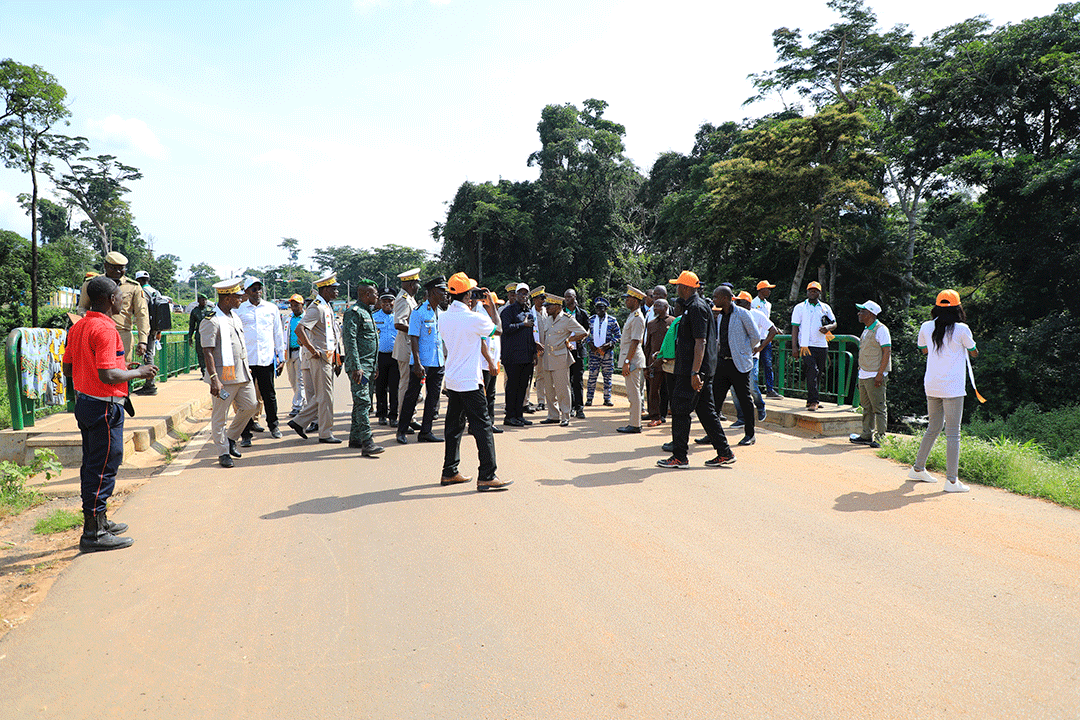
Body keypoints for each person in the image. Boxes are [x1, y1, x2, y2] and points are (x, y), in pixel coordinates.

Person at [63, 275, 157, 552]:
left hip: (86, 403)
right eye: (119, 296)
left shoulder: (79, 326)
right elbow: (107, 375)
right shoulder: (105, 329)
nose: (122, 301)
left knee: (93, 464)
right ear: (109, 299)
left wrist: (123, 367)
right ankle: (93, 533)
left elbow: (69, 368)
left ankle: (100, 520)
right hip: (104, 407)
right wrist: (139, 372)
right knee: (104, 467)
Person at [438, 273, 511, 491]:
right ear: (468, 295)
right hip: (470, 381)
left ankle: (449, 471)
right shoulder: (473, 318)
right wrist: (492, 307)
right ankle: (487, 475)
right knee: (483, 427)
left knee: (454, 427)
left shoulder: (443, 317)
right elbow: (498, 330)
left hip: (453, 380)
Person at [657, 271, 732, 469]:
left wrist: (695, 372)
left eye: (678, 285)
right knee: (706, 412)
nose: (676, 288)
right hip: (696, 369)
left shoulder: (696, 308)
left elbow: (701, 342)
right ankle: (724, 452)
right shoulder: (693, 307)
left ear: (685, 287)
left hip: (692, 371)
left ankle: (679, 457)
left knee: (680, 410)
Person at [908, 290, 978, 492]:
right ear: (958, 308)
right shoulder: (962, 329)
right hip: (952, 387)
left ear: (936, 307)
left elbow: (923, 349)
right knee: (953, 433)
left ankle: (918, 468)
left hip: (932, 384)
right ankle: (952, 481)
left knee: (933, 427)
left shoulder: (926, 326)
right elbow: (974, 352)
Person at [201, 278, 260, 467]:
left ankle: (231, 437)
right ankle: (223, 452)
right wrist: (214, 378)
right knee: (220, 416)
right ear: (227, 298)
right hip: (223, 376)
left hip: (242, 373)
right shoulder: (212, 320)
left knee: (251, 406)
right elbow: (207, 351)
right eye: (237, 296)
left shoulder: (235, 316)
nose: (241, 299)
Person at [288, 273, 344, 444]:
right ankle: (325, 433)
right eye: (334, 289)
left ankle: (299, 421)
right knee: (325, 397)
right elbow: (300, 329)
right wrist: (313, 350)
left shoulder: (326, 306)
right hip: (319, 357)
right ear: (325, 290)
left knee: (323, 396)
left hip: (328, 357)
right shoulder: (317, 308)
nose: (337, 291)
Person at [710, 287, 765, 447]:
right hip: (722, 363)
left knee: (744, 399)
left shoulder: (742, 313)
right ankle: (712, 434)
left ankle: (750, 434)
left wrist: (743, 351)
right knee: (715, 400)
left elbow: (755, 336)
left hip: (739, 364)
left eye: (716, 297)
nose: (714, 300)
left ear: (725, 298)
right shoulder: (720, 315)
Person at [396, 276, 447, 444]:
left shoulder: (441, 313)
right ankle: (401, 430)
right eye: (442, 290)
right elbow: (414, 337)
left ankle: (426, 431)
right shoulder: (419, 312)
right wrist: (417, 363)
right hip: (422, 363)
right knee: (411, 397)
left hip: (437, 362)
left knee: (433, 399)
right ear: (432, 292)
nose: (445, 294)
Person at [235, 277, 286, 444]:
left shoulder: (271, 308)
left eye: (259, 288)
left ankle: (274, 426)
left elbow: (278, 333)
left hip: (266, 359)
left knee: (269, 395)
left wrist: (281, 357)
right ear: (246, 291)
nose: (257, 292)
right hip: (246, 360)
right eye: (253, 289)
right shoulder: (239, 310)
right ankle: (246, 434)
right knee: (246, 398)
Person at [77, 250, 150, 367]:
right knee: (97, 368)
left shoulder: (133, 287)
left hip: (122, 334)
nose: (118, 272)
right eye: (113, 268)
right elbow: (82, 307)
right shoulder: (92, 283)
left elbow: (142, 314)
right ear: (105, 266)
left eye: (121, 268)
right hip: (97, 333)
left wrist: (143, 340)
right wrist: (85, 318)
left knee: (122, 368)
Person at [343, 280, 383, 456]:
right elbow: (349, 341)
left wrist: (375, 366)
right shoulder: (354, 313)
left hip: (369, 366)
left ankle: (355, 438)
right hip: (359, 367)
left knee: (360, 402)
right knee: (364, 402)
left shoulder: (368, 312)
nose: (377, 297)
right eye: (375, 294)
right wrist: (356, 367)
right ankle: (367, 442)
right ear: (367, 295)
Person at [536, 293, 588, 427]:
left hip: (560, 357)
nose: (546, 308)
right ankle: (553, 415)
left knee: (562, 389)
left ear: (558, 307)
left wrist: (569, 339)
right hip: (547, 357)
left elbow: (583, 332)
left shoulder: (567, 319)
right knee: (549, 389)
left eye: (549, 306)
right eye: (546, 306)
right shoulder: (548, 319)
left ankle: (565, 415)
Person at [731, 291, 776, 429]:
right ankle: (741, 417)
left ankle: (760, 406)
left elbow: (773, 330)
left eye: (739, 302)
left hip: (752, 357)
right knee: (734, 389)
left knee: (751, 385)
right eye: (736, 302)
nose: (736, 304)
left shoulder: (757, 314)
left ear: (747, 304)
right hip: (735, 357)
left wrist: (761, 347)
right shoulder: (733, 315)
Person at [850, 300, 891, 449]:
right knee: (866, 407)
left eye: (863, 311)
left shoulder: (881, 329)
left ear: (871, 314)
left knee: (879, 407)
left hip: (874, 375)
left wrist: (880, 374)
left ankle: (880, 437)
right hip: (864, 374)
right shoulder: (867, 329)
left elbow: (887, 351)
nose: (859, 313)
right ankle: (866, 434)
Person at [791, 281, 836, 411]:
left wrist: (828, 327)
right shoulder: (800, 307)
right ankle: (814, 401)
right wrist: (794, 347)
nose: (812, 293)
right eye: (810, 290)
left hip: (822, 344)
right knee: (812, 371)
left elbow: (834, 323)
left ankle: (811, 399)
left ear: (819, 293)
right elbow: (795, 327)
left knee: (818, 373)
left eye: (815, 291)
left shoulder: (825, 307)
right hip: (806, 345)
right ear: (807, 292)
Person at [500, 283, 535, 427]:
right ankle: (510, 416)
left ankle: (519, 415)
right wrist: (522, 325)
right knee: (512, 387)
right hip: (512, 357)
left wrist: (534, 353)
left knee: (523, 387)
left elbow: (531, 335)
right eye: (520, 293)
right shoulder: (508, 311)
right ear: (515, 294)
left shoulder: (529, 312)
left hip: (526, 357)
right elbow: (505, 329)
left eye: (525, 293)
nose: (523, 296)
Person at [616, 285, 647, 434]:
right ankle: (634, 422)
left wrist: (627, 362)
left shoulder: (637, 317)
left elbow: (635, 341)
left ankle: (635, 424)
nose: (626, 301)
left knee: (634, 393)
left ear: (635, 300)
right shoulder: (632, 315)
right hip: (631, 358)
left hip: (633, 360)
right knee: (632, 392)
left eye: (628, 299)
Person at [392, 268, 421, 417]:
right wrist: (418, 331)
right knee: (406, 383)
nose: (418, 287)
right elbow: (398, 323)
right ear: (411, 284)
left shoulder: (409, 298)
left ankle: (410, 415)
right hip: (406, 346)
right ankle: (404, 416)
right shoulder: (403, 299)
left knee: (412, 383)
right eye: (417, 283)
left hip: (410, 346)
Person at [644, 298, 674, 426]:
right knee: (653, 391)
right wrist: (646, 365)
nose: (655, 308)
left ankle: (671, 414)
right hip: (654, 363)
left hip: (670, 362)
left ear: (666, 307)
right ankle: (655, 416)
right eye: (654, 306)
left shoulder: (673, 322)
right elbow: (648, 346)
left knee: (671, 390)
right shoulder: (651, 324)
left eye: (658, 306)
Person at [133, 270, 163, 396]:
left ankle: (150, 385)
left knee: (148, 355)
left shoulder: (142, 292)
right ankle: (149, 383)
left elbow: (141, 311)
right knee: (150, 353)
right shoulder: (156, 292)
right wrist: (159, 330)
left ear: (138, 280)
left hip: (147, 327)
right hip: (155, 327)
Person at [586, 297, 620, 407]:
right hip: (594, 352)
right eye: (597, 308)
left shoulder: (612, 320)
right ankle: (589, 398)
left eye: (601, 308)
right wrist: (589, 343)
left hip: (607, 353)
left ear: (605, 309)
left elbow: (618, 336)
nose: (599, 310)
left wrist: (610, 344)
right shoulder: (591, 320)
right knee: (592, 376)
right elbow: (585, 334)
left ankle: (607, 398)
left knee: (607, 376)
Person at [372, 289, 399, 426]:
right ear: (380, 302)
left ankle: (393, 416)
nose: (387, 303)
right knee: (380, 387)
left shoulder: (399, 316)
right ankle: (381, 414)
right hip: (380, 356)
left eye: (390, 301)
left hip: (395, 356)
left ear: (395, 302)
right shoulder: (374, 317)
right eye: (384, 301)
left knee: (395, 388)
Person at [563, 288, 590, 419]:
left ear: (575, 297)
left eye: (569, 296)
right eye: (565, 297)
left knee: (578, 380)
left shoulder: (582, 313)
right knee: (567, 380)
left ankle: (579, 408)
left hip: (578, 351)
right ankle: (570, 407)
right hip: (565, 351)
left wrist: (582, 338)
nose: (567, 299)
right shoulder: (561, 313)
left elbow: (587, 329)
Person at [753, 281, 781, 398]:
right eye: (767, 289)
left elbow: (766, 320)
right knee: (753, 366)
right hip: (755, 338)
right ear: (761, 290)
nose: (769, 291)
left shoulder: (768, 304)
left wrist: (775, 328)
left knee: (768, 364)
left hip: (766, 338)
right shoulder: (753, 303)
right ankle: (752, 390)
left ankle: (770, 390)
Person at [283, 294, 307, 417]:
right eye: (292, 305)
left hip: (301, 352)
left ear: (302, 305)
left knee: (300, 380)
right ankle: (302, 402)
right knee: (292, 380)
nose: (294, 308)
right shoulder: (287, 318)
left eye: (297, 305)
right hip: (289, 352)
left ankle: (297, 406)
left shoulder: (306, 318)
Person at [526, 285, 547, 412]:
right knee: (539, 376)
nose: (544, 300)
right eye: (541, 298)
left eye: (544, 297)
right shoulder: (529, 314)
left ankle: (551, 401)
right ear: (534, 300)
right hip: (535, 350)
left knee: (549, 376)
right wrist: (535, 345)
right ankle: (540, 401)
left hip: (548, 348)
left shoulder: (547, 311)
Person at [187, 295, 214, 376]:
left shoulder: (210, 310)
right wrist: (190, 337)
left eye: (205, 300)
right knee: (200, 354)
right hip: (199, 335)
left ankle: (211, 372)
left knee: (210, 353)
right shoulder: (195, 311)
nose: (204, 302)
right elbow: (192, 325)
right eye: (202, 300)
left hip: (209, 334)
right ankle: (204, 372)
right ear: (198, 300)